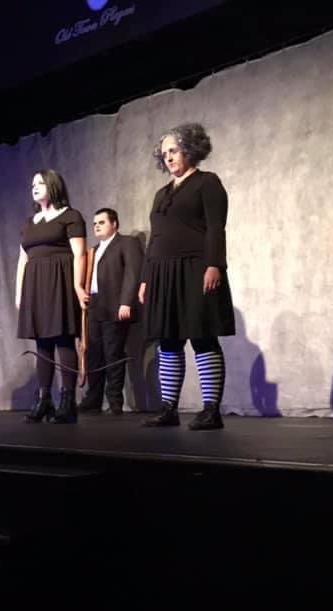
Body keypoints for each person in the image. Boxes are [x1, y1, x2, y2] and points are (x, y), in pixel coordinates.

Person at [139, 123, 234, 430]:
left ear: (190, 150)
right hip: (162, 272)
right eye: (164, 153)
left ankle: (211, 410)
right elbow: (155, 237)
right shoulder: (161, 193)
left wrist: (214, 264)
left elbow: (216, 227)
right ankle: (169, 409)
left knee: (202, 336)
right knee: (168, 341)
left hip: (195, 268)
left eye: (174, 150)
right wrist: (145, 278)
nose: (168, 157)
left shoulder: (207, 183)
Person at [15, 169, 87, 423]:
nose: (34, 187)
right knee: (42, 343)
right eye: (32, 184)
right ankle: (44, 399)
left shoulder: (70, 216)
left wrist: (77, 285)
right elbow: (22, 259)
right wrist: (19, 292)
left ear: (53, 185)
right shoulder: (29, 222)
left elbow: (79, 254)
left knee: (63, 339)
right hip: (35, 284)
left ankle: (68, 402)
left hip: (60, 281)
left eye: (40, 183)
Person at [79, 208, 143, 415]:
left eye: (102, 222)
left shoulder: (127, 243)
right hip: (95, 306)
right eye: (95, 223)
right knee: (93, 354)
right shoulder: (93, 250)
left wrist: (126, 302)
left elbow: (133, 273)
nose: (97, 226)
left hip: (115, 306)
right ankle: (93, 399)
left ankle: (115, 401)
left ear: (114, 224)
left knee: (113, 353)